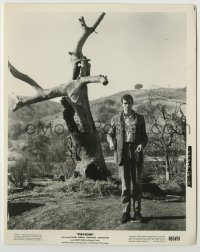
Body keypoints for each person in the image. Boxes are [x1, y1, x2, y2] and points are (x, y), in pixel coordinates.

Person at [107, 94, 148, 223]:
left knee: (136, 184)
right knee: (125, 185)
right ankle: (125, 212)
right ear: (122, 104)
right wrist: (111, 143)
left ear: (132, 103)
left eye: (129, 103)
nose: (127, 105)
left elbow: (144, 137)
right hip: (122, 152)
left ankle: (137, 212)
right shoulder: (115, 119)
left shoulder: (140, 119)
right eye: (124, 103)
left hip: (135, 151)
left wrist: (141, 144)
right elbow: (109, 134)